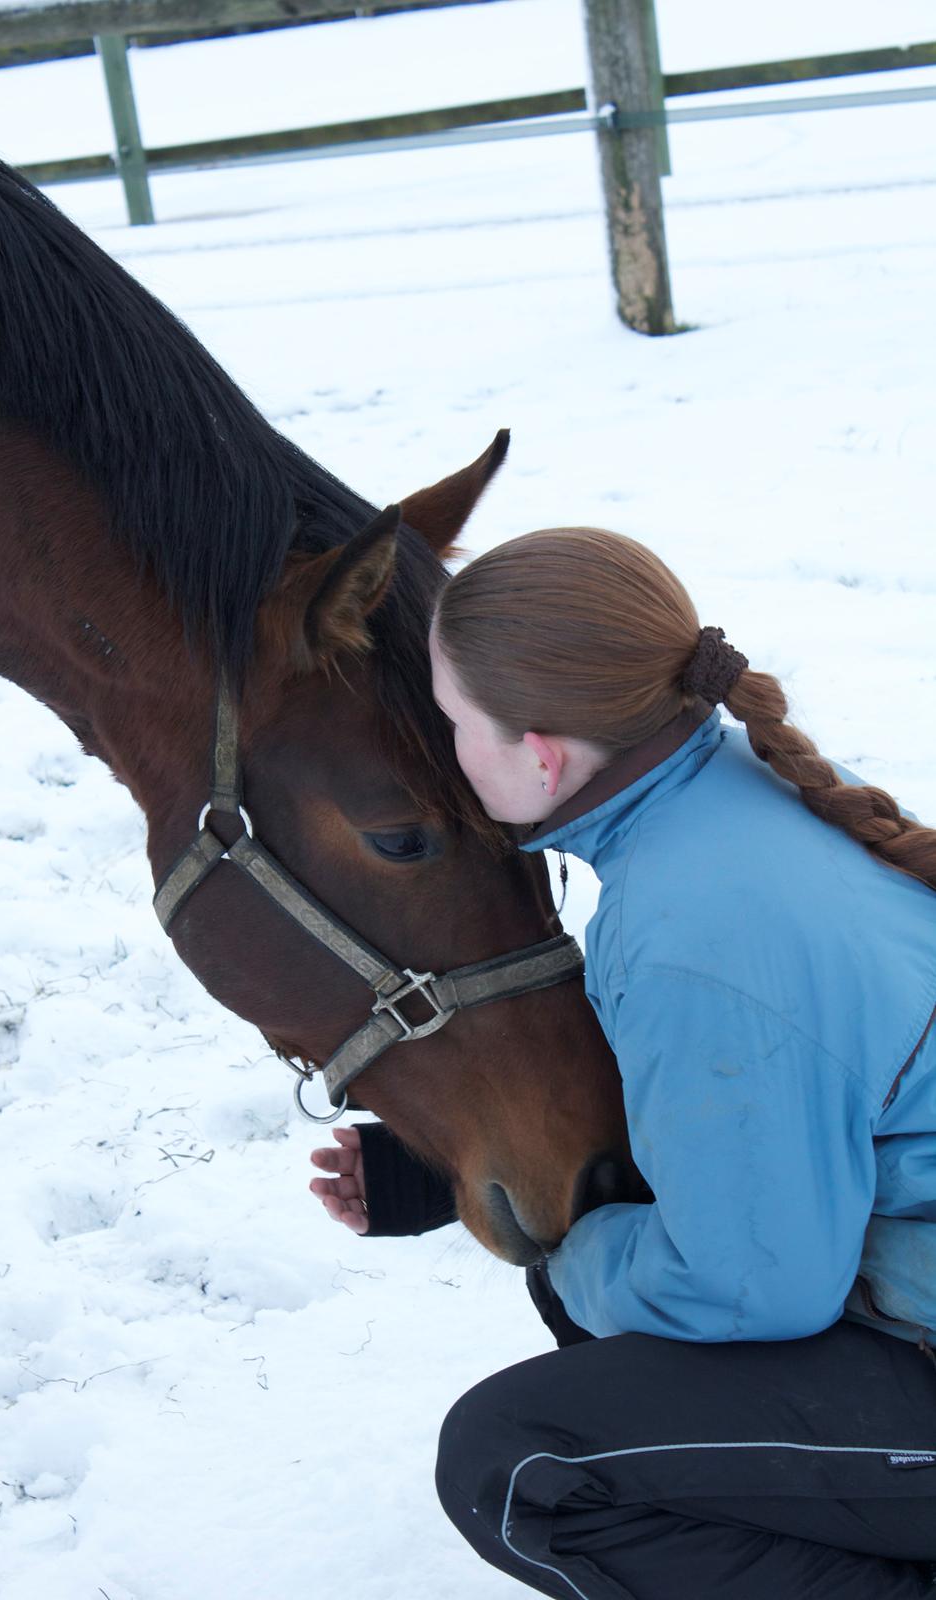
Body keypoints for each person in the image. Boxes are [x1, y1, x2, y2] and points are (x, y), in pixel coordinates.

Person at [310, 526, 936, 1600]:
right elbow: (752, 1108)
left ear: (540, 753)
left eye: (456, 722)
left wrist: (576, 1246)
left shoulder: (689, 927)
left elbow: (746, 1290)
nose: (450, 749)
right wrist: (454, 1168)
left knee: (519, 1462)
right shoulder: (732, 798)